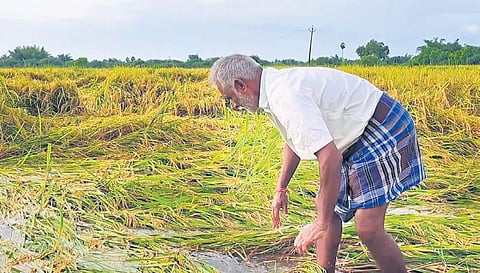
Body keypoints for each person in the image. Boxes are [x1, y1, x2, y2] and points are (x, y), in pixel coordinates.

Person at [209, 54, 426, 273]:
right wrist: (281, 188)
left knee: (368, 227)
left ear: (241, 85)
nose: (234, 106)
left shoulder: (285, 96)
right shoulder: (272, 92)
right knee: (327, 210)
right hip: (351, 135)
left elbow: (330, 157)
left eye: (230, 98)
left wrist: (319, 224)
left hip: (381, 126)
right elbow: (293, 141)